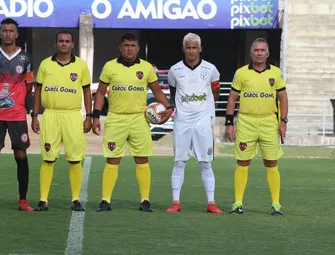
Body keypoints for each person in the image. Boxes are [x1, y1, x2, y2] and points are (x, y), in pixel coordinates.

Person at [92, 32, 173, 212]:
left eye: (133, 45)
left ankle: (145, 201)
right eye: (126, 45)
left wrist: (170, 107)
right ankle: (105, 200)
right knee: (113, 159)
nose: (129, 48)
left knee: (142, 158)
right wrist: (95, 116)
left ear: (137, 48)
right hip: (116, 118)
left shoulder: (145, 68)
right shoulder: (109, 66)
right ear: (120, 47)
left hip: (139, 118)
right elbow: (100, 92)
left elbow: (157, 90)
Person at [225, 37, 288, 215]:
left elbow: (283, 98)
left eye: (262, 50)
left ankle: (276, 204)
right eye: (256, 50)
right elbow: (232, 98)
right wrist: (229, 123)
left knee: (271, 162)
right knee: (242, 161)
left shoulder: (276, 73)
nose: (259, 53)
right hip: (246, 122)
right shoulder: (241, 73)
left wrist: (283, 121)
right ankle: (237, 203)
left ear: (267, 54)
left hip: (269, 122)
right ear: (251, 53)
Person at [31, 30, 92, 212]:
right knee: (48, 158)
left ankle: (75, 199)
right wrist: (34, 114)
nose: (64, 44)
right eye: (61, 41)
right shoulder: (45, 64)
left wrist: (89, 116)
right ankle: (43, 199)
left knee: (74, 159)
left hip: (73, 115)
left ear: (72, 44)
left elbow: (87, 91)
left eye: (67, 41)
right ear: (55, 44)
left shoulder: (80, 65)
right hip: (50, 115)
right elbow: (38, 90)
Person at [0, 18, 35, 212]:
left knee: (20, 153)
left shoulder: (25, 58)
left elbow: (29, 84)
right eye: (5, 30)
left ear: (16, 34)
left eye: (11, 30)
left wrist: (18, 100)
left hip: (17, 114)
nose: (8, 33)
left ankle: (23, 201)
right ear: (0, 33)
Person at [166, 33, 223, 214]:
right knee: (179, 161)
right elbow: (174, 93)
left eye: (194, 47)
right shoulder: (174, 70)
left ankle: (211, 202)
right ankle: (176, 201)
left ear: (200, 48)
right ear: (183, 49)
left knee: (205, 163)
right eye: (188, 47)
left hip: (202, 123)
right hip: (182, 122)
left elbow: (216, 94)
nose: (191, 50)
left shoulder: (211, 69)